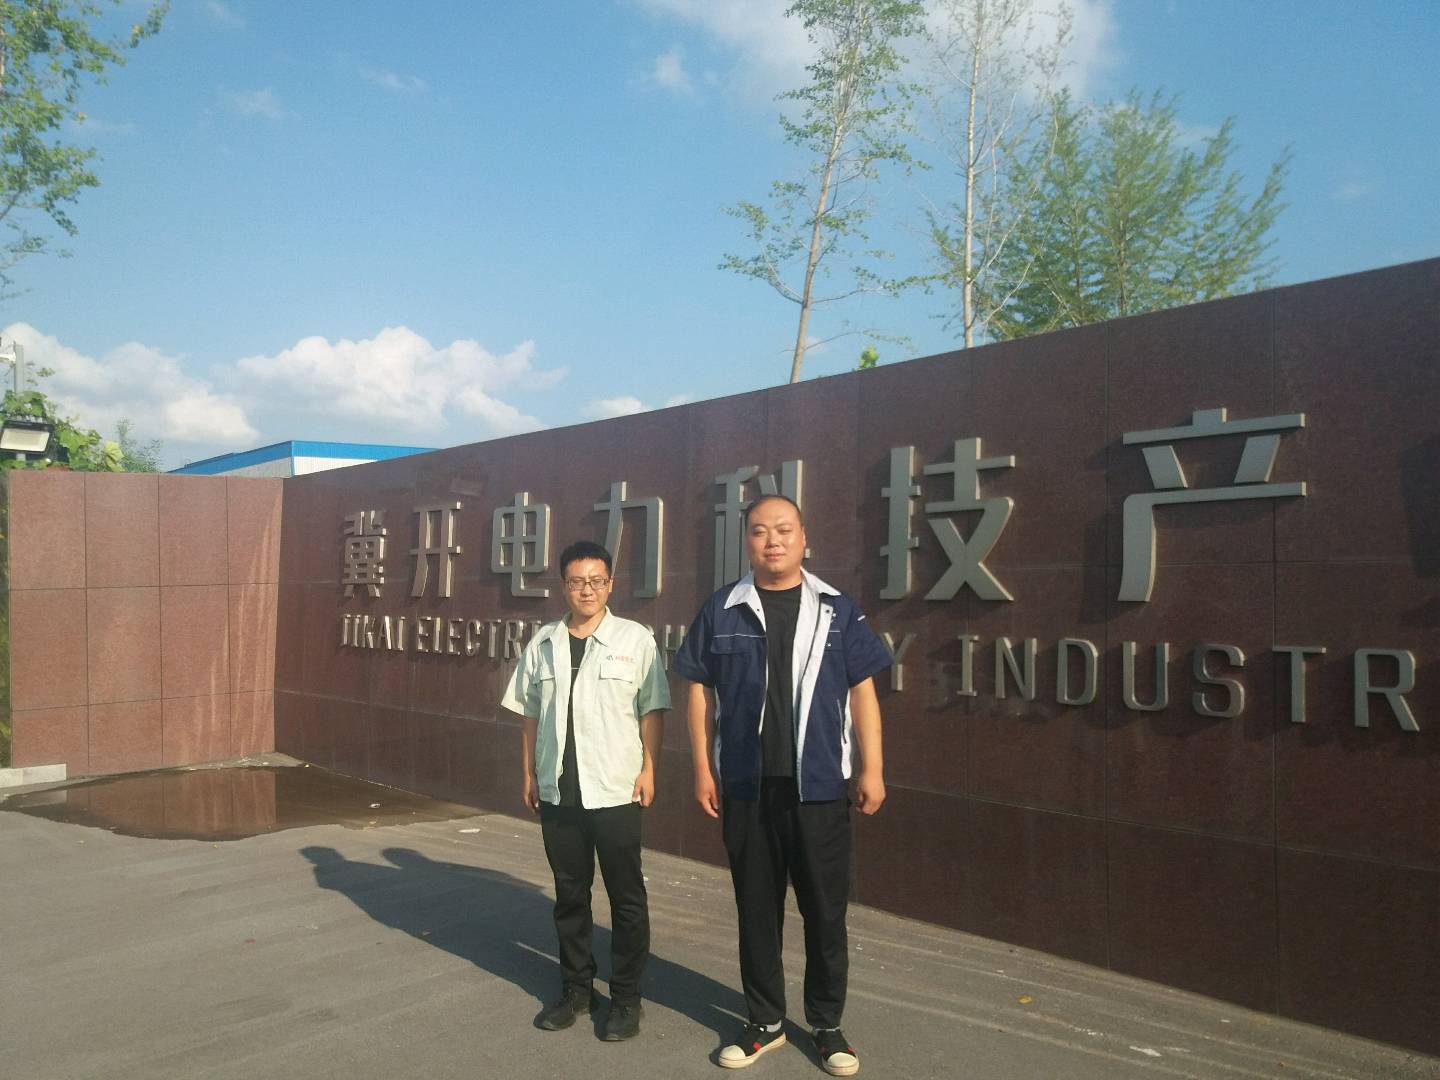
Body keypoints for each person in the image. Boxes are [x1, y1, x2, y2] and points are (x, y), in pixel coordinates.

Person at [672, 494, 891, 1076]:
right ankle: (765, 1022)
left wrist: (871, 768)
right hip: (748, 787)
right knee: (756, 910)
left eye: (784, 529)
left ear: (804, 538)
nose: (773, 540)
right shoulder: (723, 609)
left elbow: (863, 691)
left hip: (818, 788)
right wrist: (702, 768)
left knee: (825, 912)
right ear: (746, 541)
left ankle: (827, 1025)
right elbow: (698, 690)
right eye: (760, 531)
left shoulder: (837, 610)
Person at [501, 539, 670, 1041]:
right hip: (559, 791)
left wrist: (650, 770)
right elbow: (530, 713)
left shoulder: (634, 639)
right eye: (577, 581)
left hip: (616, 790)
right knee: (569, 896)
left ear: (610, 584)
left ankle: (626, 998)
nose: (587, 590)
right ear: (564, 587)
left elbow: (652, 708)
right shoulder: (544, 642)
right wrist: (529, 773)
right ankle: (576, 990)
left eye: (596, 581)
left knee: (626, 898)